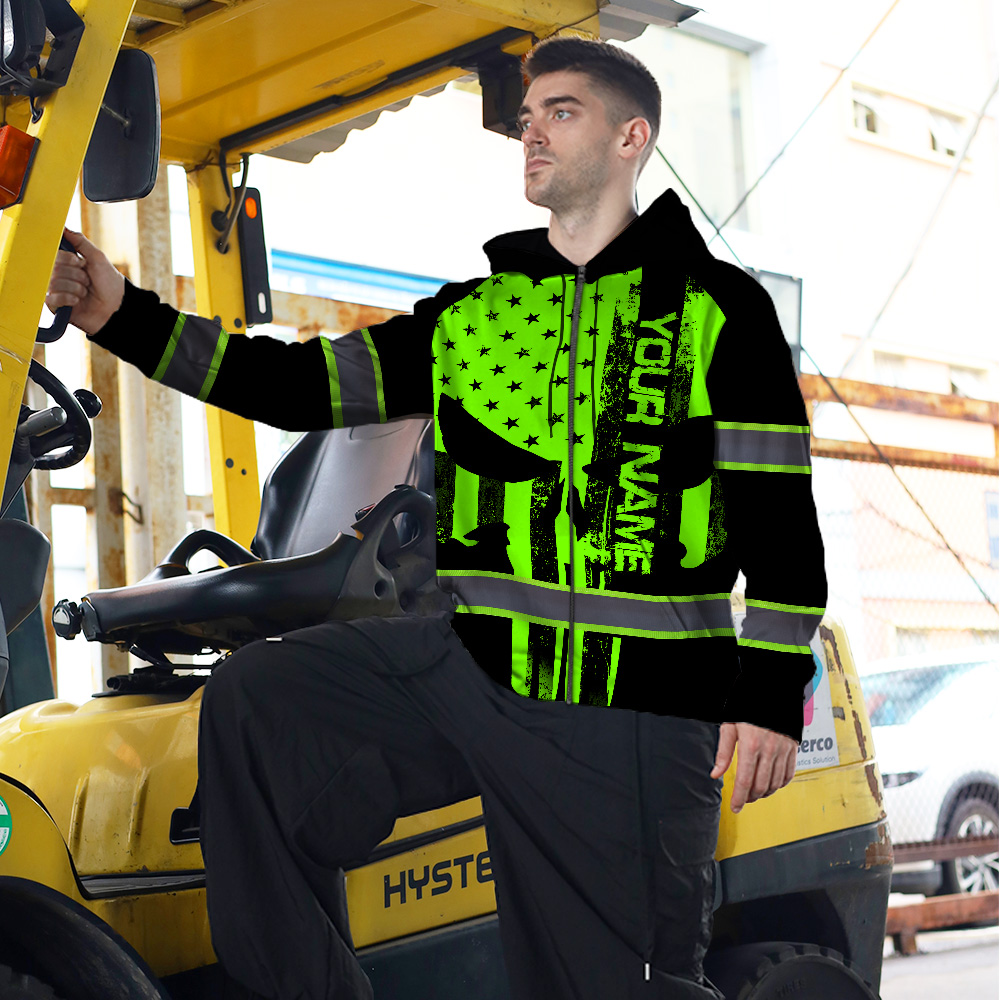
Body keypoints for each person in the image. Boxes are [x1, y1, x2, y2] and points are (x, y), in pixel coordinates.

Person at [46, 35, 826, 1000]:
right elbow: (292, 385)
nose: (532, 132)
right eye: (529, 116)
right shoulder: (475, 319)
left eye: (563, 112)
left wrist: (769, 687)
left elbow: (779, 516)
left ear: (633, 139)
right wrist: (121, 313)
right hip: (476, 663)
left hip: (631, 699)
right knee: (260, 702)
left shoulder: (721, 311)